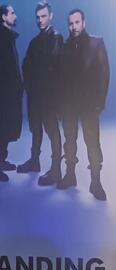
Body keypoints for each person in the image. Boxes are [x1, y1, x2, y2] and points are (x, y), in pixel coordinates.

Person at [58, 8, 109, 200]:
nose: (73, 27)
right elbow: (61, 78)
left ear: (84, 22)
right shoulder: (64, 46)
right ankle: (70, 175)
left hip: (89, 105)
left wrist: (99, 102)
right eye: (70, 23)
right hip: (69, 104)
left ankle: (96, 182)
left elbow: (104, 74)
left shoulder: (96, 43)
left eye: (77, 22)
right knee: (69, 141)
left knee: (93, 143)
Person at [17, 1, 63, 185]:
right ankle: (34, 161)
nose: (40, 20)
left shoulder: (56, 37)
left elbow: (54, 67)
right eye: (38, 17)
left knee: (52, 130)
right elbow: (26, 65)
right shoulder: (35, 41)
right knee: (35, 129)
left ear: (50, 16)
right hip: (35, 95)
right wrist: (30, 87)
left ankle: (56, 170)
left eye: (43, 16)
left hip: (49, 96)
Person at [0, 4, 23, 183]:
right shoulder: (2, 38)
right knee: (2, 127)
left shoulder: (8, 37)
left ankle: (1, 160)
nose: (15, 16)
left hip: (10, 92)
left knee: (6, 127)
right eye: (12, 13)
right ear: (3, 17)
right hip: (3, 93)